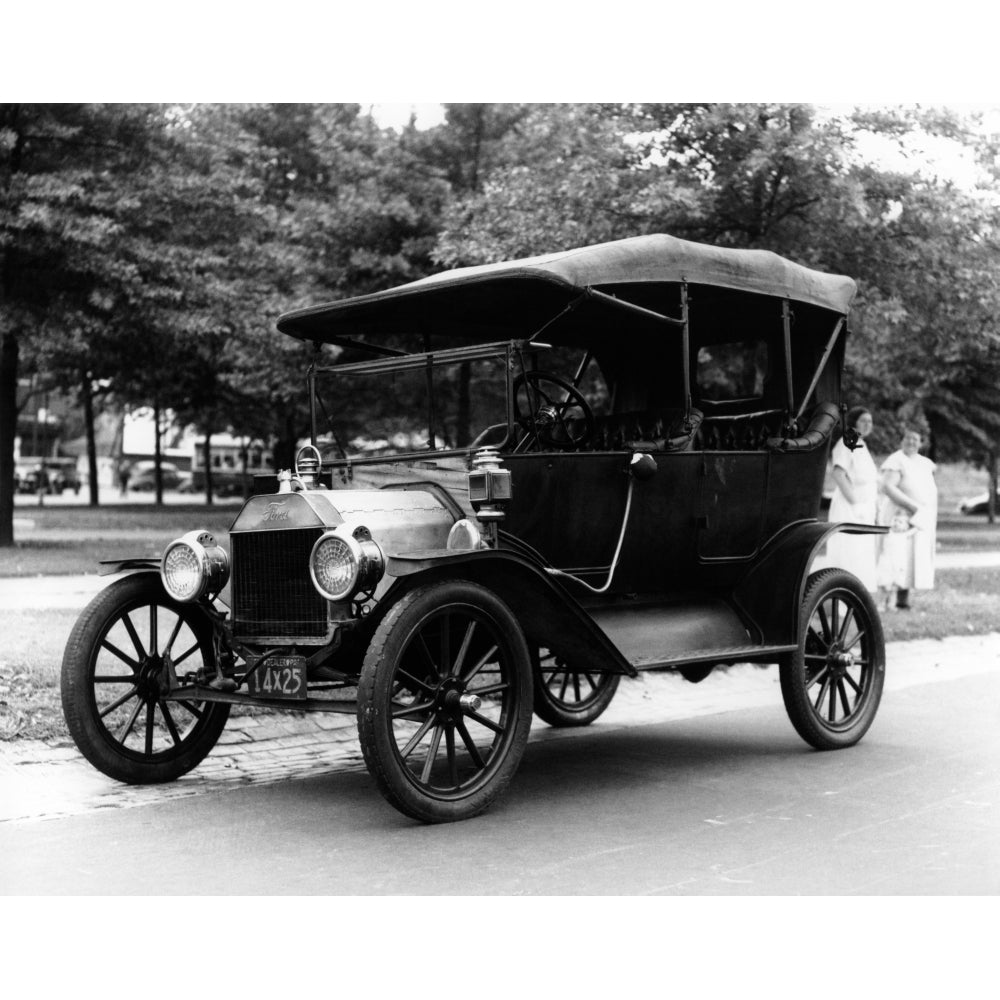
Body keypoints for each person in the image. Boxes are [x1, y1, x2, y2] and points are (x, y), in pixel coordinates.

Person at [878, 429, 937, 610]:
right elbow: (888, 487)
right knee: (897, 557)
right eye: (907, 438)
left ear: (921, 443)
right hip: (901, 515)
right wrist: (912, 507)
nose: (911, 442)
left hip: (920, 517)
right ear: (901, 440)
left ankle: (903, 598)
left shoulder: (926, 463)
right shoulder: (896, 460)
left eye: (915, 439)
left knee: (914, 557)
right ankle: (886, 601)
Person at [827, 406, 879, 591]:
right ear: (854, 422)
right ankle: (842, 596)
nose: (867, 425)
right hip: (850, 507)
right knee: (849, 552)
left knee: (861, 553)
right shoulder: (848, 440)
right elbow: (838, 473)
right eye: (863, 420)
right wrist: (855, 503)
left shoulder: (861, 444)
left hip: (864, 508)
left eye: (870, 421)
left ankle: (858, 595)